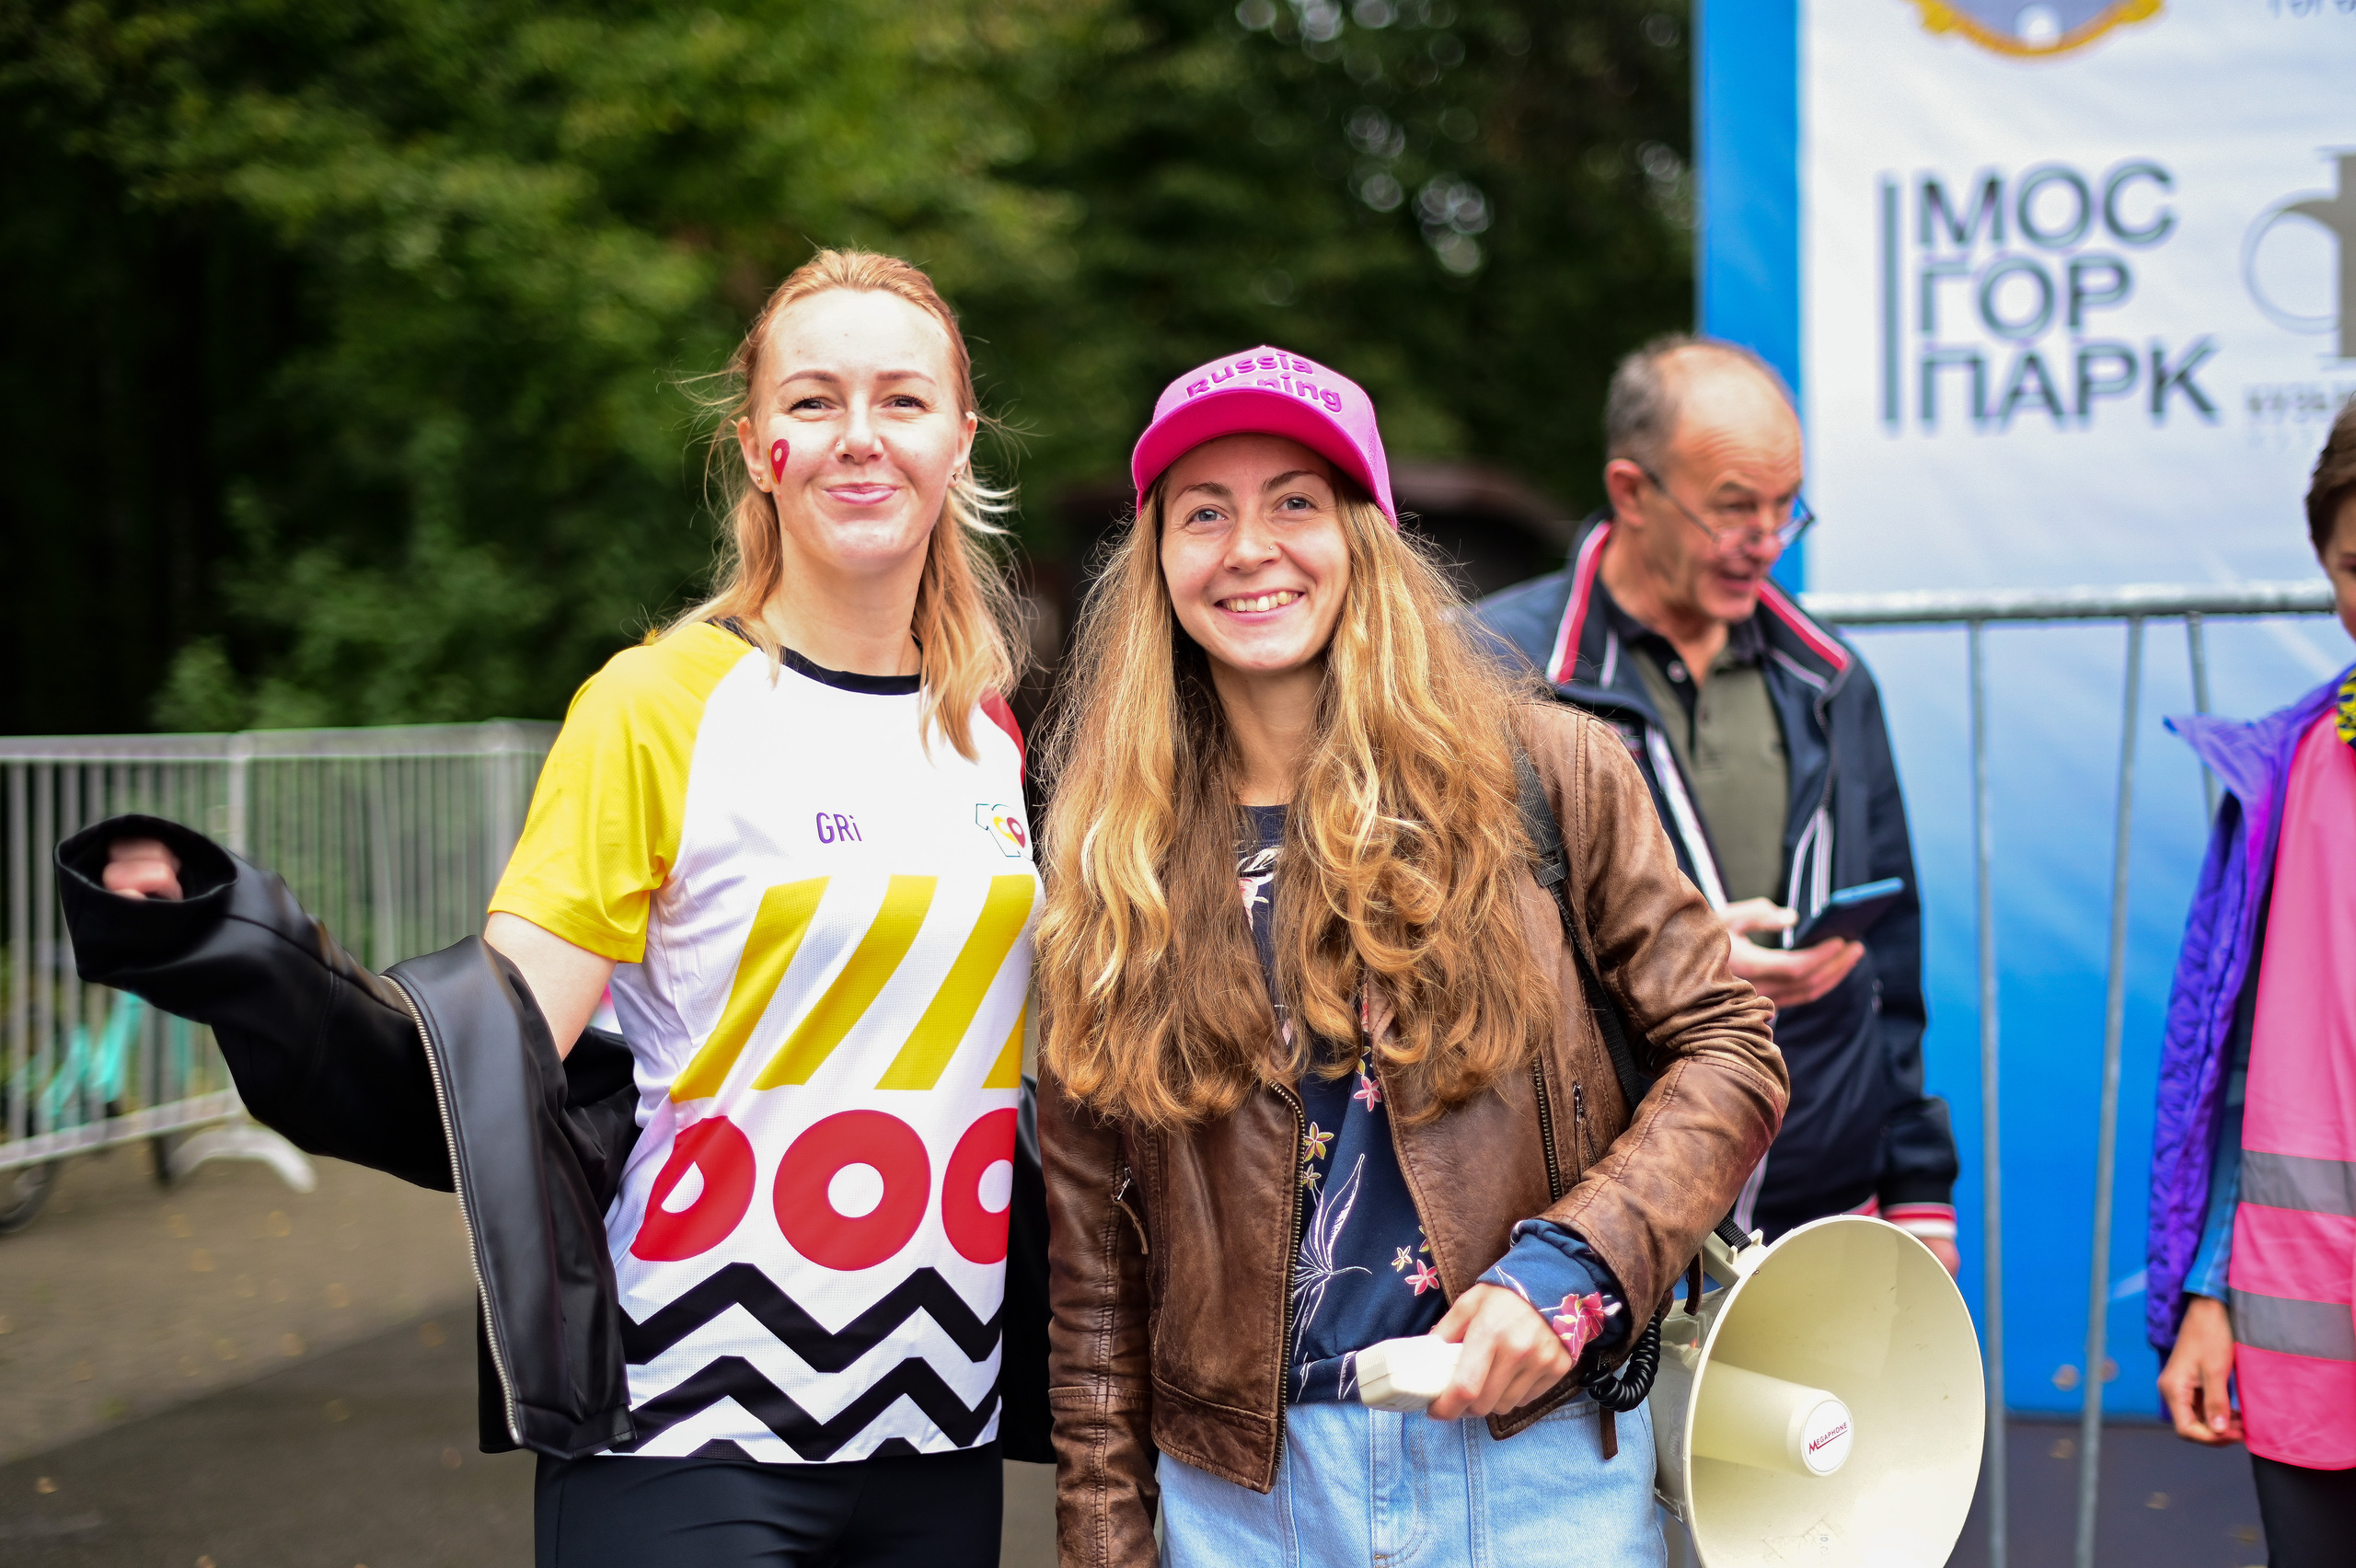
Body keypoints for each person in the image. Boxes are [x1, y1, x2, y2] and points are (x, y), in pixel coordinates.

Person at [63, 249, 1037, 1567]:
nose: (859, 437)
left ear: (959, 439)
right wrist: (236, 948)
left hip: (940, 1434)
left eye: (902, 401)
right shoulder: (659, 706)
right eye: (813, 402)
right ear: (754, 448)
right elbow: (487, 1058)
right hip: (691, 1432)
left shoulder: (988, 733)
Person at [1034, 347, 1786, 1566]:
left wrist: (1572, 1273)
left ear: (1365, 537)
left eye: (1294, 502)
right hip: (1244, 1508)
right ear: (1156, 558)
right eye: (1203, 512)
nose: (1249, 547)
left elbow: (1729, 1048)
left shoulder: (1549, 771)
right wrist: (1104, 1543)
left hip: (1535, 1474)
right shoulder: (1111, 852)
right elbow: (1096, 1271)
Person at [1473, 335, 1960, 1269]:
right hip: (1593, 1220)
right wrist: (1673, 971)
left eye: (1787, 508)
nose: (1766, 542)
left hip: (1819, 1203)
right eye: (1735, 508)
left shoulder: (1830, 678)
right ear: (1631, 491)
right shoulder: (1487, 670)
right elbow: (1440, 953)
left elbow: (1889, 964)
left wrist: (1917, 1191)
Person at [2151, 399, 2356, 1562]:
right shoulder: (2282, 775)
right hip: (2301, 1334)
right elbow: (2232, 1076)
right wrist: (2210, 1292)